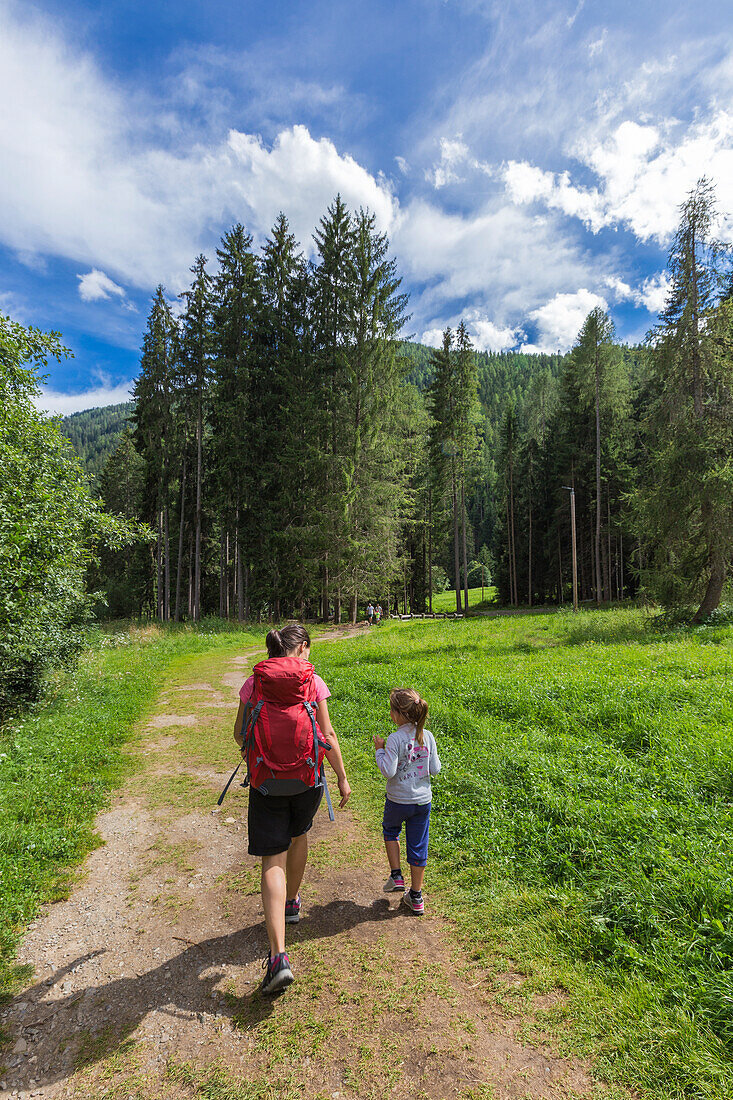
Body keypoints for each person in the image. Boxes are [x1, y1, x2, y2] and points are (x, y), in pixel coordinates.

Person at [234, 624, 351, 994]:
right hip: (307, 780)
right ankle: (292, 903)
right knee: (299, 834)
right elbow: (328, 737)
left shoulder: (255, 682)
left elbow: (239, 732)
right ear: (301, 647)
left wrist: (259, 753)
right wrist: (342, 778)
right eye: (308, 649)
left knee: (272, 858)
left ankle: (279, 957)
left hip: (266, 781)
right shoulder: (313, 683)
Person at [373, 688, 441, 915]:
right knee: (418, 844)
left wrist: (379, 751)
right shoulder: (428, 736)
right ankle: (416, 896)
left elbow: (388, 771)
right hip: (422, 801)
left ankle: (396, 876)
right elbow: (435, 769)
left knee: (391, 831)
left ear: (397, 714)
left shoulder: (394, 739)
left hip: (397, 800)